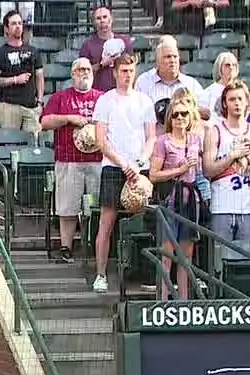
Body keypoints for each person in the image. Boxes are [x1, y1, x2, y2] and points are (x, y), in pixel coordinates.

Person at [91, 53, 156, 294]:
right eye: (123, 71)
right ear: (115, 73)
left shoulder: (145, 101)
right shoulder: (105, 101)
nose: (127, 75)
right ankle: (100, 275)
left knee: (147, 223)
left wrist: (138, 164)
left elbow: (151, 138)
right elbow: (101, 140)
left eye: (131, 70)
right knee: (106, 223)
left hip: (140, 169)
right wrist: (122, 163)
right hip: (112, 167)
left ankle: (148, 275)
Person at [40, 56, 104, 263]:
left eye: (87, 69)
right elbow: (45, 121)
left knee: (97, 207)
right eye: (79, 70)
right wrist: (68, 118)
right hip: (69, 160)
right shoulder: (61, 97)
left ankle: (95, 246)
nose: (84, 73)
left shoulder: (102, 98)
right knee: (67, 207)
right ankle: (66, 247)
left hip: (97, 159)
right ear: (72, 74)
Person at [150, 88, 205, 300]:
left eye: (184, 114)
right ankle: (163, 300)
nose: (180, 118)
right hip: (170, 199)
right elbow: (154, 175)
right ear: (170, 117)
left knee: (186, 255)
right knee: (167, 254)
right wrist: (179, 170)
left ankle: (184, 301)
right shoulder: (162, 141)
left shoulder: (195, 140)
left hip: (191, 200)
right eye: (176, 114)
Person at [205, 80, 250, 255]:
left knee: (249, 261)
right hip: (222, 207)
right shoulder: (215, 132)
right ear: (225, 103)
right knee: (220, 261)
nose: (237, 103)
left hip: (249, 208)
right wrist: (232, 155)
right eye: (232, 99)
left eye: (240, 99)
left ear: (247, 101)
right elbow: (208, 170)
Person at [0, 9, 43, 134]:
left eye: (19, 23)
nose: (17, 26)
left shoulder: (33, 51)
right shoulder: (0, 53)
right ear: (6, 28)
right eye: (13, 24)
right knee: (10, 145)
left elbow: (40, 76)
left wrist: (40, 101)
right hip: (9, 107)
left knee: (33, 146)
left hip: (31, 107)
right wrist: (15, 79)